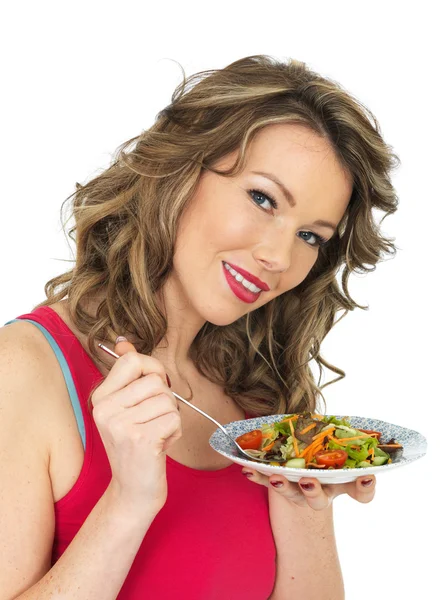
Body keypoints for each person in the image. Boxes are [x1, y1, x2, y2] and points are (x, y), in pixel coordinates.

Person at [0, 54, 399, 599]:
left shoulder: (263, 404)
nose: (279, 256)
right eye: (262, 199)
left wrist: (304, 502)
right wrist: (129, 502)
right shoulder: (24, 369)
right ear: (181, 171)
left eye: (311, 236)